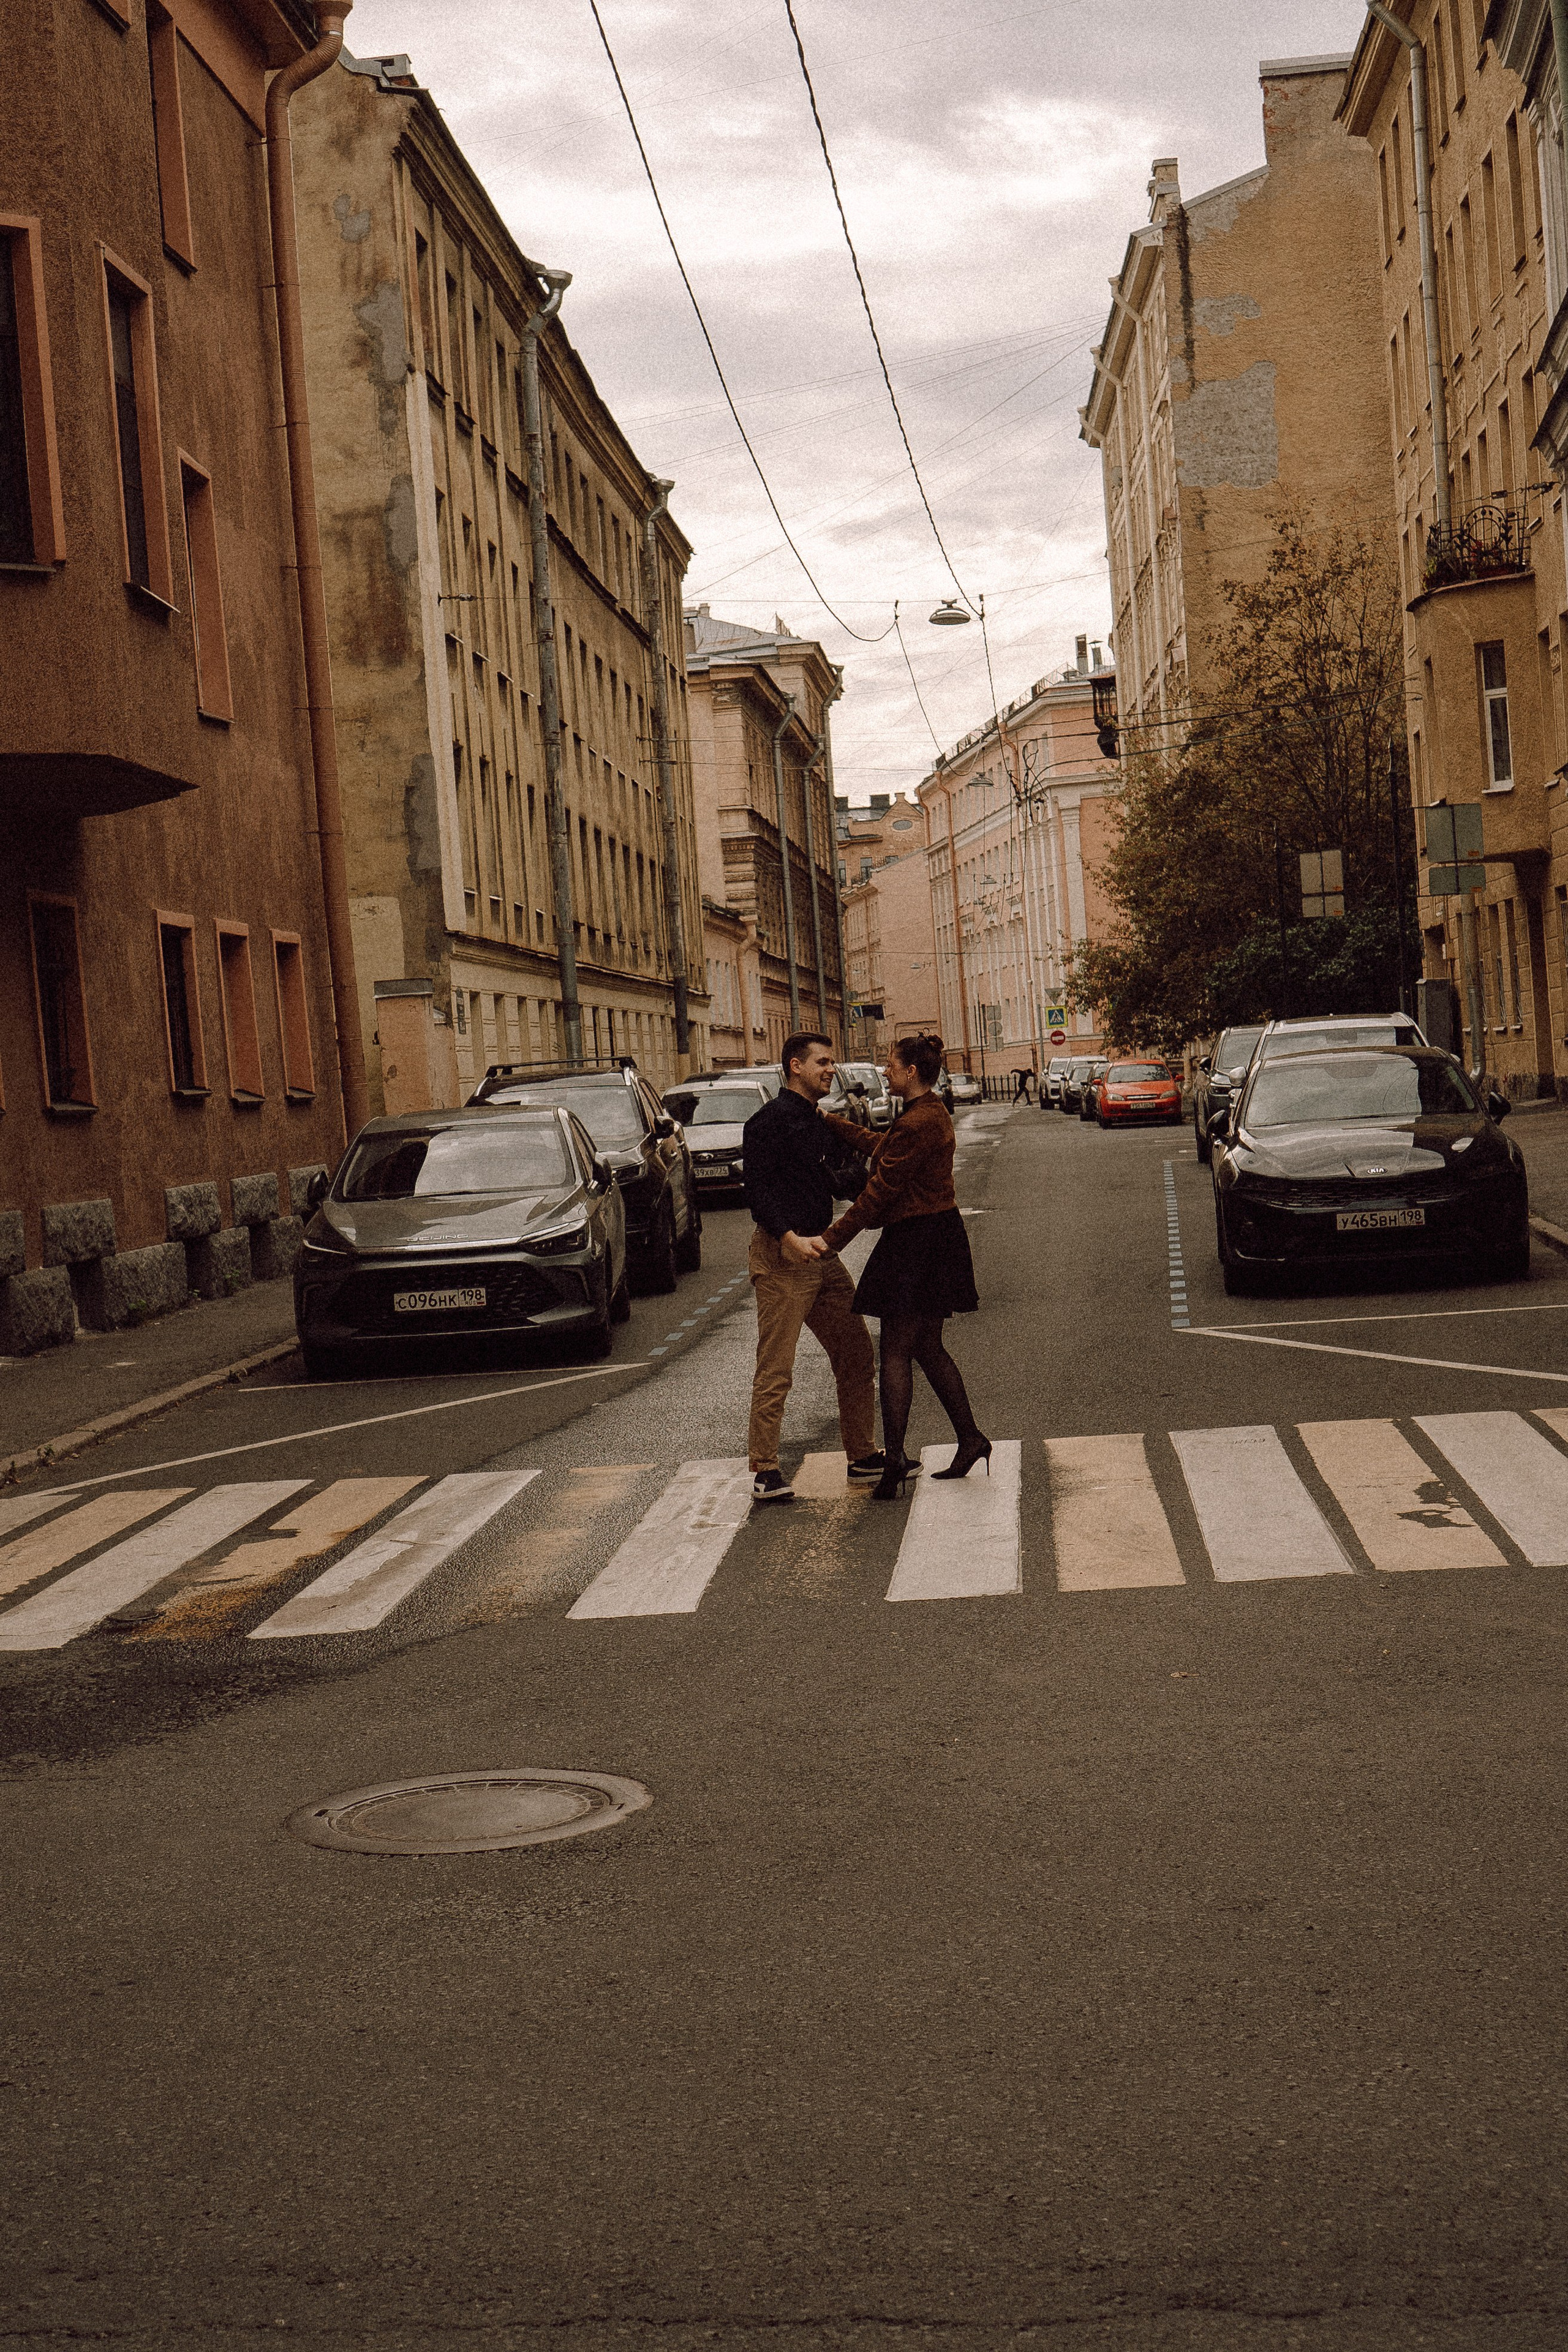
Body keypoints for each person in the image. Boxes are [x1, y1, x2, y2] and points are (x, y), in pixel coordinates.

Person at [818, 1032, 988, 1502]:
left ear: (911, 1072)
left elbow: (880, 1191)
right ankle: (971, 1439)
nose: (885, 1071)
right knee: (927, 1347)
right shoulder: (924, 1113)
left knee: (895, 1349)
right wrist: (832, 1122)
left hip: (918, 1241)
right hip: (934, 1235)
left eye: (891, 1065)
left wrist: (831, 1240)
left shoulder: (920, 1120)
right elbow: (882, 1146)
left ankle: (894, 1460)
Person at [741, 1033, 882, 1504]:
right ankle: (765, 1470)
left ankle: (862, 1455)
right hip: (783, 1256)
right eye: (822, 1062)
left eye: (832, 1062)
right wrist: (788, 1238)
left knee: (856, 1354)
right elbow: (758, 1191)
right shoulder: (766, 1123)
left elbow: (838, 1180)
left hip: (822, 1253)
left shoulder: (818, 1121)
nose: (831, 1070)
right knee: (777, 1366)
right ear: (795, 1066)